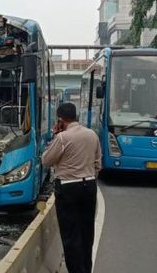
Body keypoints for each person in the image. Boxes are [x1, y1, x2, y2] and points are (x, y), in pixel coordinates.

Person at [41, 103, 101, 273]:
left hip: (68, 188)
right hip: (89, 185)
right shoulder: (92, 135)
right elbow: (98, 163)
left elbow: (46, 161)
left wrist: (54, 135)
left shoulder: (62, 138)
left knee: (71, 234)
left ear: (60, 119)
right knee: (86, 232)